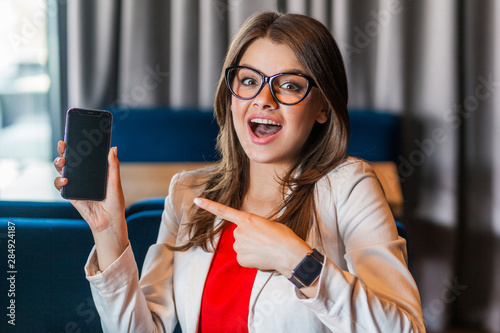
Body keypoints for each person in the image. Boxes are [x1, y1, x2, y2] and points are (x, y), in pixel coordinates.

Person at [54, 11, 425, 333]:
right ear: (230, 94)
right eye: (249, 80)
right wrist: (109, 233)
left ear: (323, 108)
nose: (264, 98)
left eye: (290, 85)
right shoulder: (187, 193)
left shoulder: (350, 186)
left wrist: (298, 262)